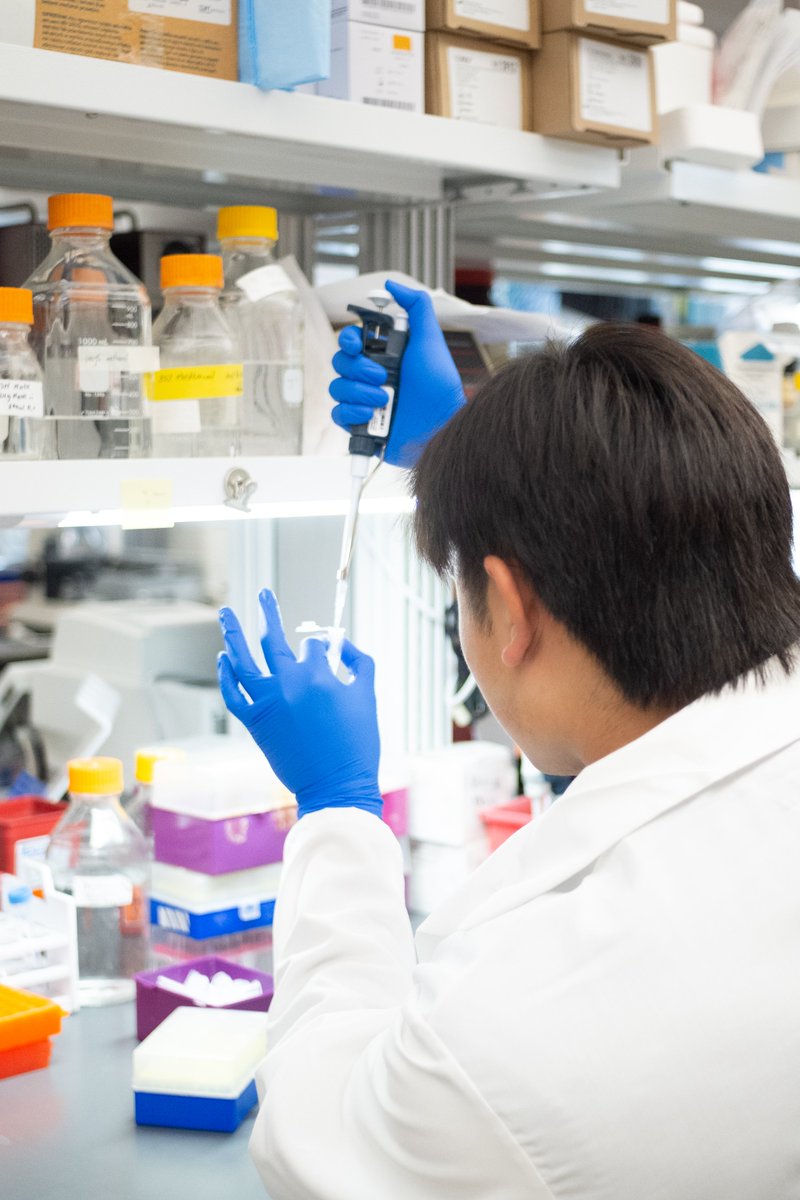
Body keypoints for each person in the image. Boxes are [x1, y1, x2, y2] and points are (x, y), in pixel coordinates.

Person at [217, 281, 800, 1200]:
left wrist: (337, 809)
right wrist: (470, 470)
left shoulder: (500, 1041)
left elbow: (315, 1135)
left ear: (513, 606)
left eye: (462, 583)